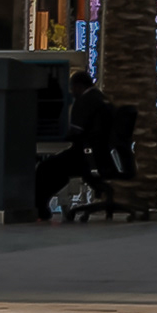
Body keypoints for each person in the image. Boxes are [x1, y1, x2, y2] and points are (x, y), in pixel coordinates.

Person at [32, 67, 116, 218]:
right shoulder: (103, 99)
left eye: (72, 88)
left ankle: (39, 209)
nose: (71, 92)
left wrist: (58, 135)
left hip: (86, 156)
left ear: (78, 86)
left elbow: (77, 132)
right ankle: (42, 208)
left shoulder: (84, 101)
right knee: (59, 170)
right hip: (103, 156)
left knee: (45, 168)